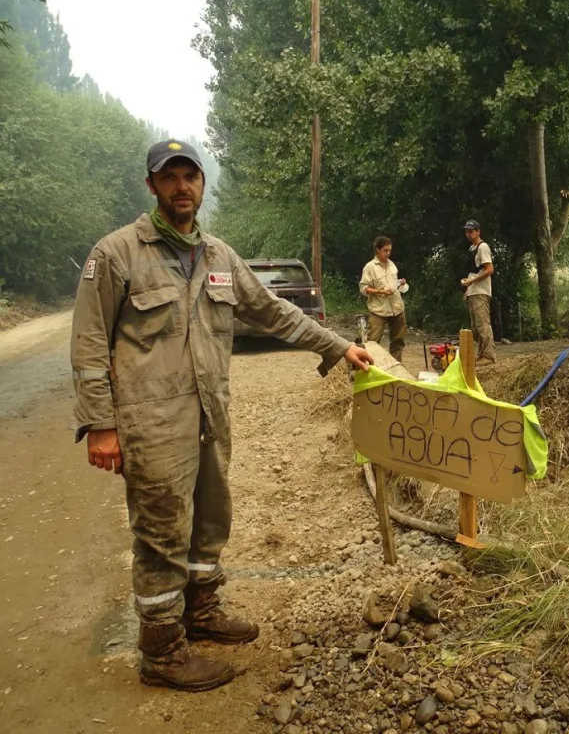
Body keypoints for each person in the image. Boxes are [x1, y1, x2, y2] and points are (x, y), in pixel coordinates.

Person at [70, 140, 374, 693]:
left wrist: (335, 346)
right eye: (170, 177)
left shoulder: (218, 257)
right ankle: (162, 652)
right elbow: (90, 343)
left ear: (203, 185)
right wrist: (101, 424)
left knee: (211, 516)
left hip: (211, 414)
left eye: (191, 176)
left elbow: (273, 311)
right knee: (162, 529)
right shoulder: (116, 255)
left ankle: (201, 611)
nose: (182, 186)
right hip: (151, 421)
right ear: (152, 186)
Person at [359, 236, 407, 362]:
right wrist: (381, 291)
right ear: (377, 250)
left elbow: (394, 283)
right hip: (378, 309)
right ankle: (371, 369)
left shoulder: (392, 265)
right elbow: (363, 288)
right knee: (373, 342)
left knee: (398, 340)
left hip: (397, 307)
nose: (388, 253)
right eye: (385, 250)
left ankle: (396, 368)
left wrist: (400, 283)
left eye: (390, 250)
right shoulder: (370, 267)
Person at [460, 219, 496, 366]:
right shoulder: (471, 249)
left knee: (483, 324)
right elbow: (474, 272)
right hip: (473, 291)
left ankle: (489, 355)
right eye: (467, 231)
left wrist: (472, 282)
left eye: (471, 231)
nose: (468, 234)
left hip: (481, 290)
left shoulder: (483, 247)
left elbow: (489, 269)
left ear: (478, 231)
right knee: (475, 326)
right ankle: (481, 354)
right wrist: (468, 289)